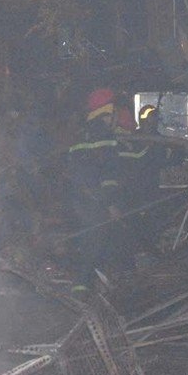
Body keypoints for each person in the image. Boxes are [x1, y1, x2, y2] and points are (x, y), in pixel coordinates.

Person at [66, 88, 123, 291]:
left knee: (90, 243)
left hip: (80, 199)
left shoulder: (82, 133)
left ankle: (91, 288)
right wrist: (111, 204)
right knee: (96, 245)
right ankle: (81, 293)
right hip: (97, 200)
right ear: (108, 111)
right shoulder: (104, 134)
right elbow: (108, 174)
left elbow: (74, 170)